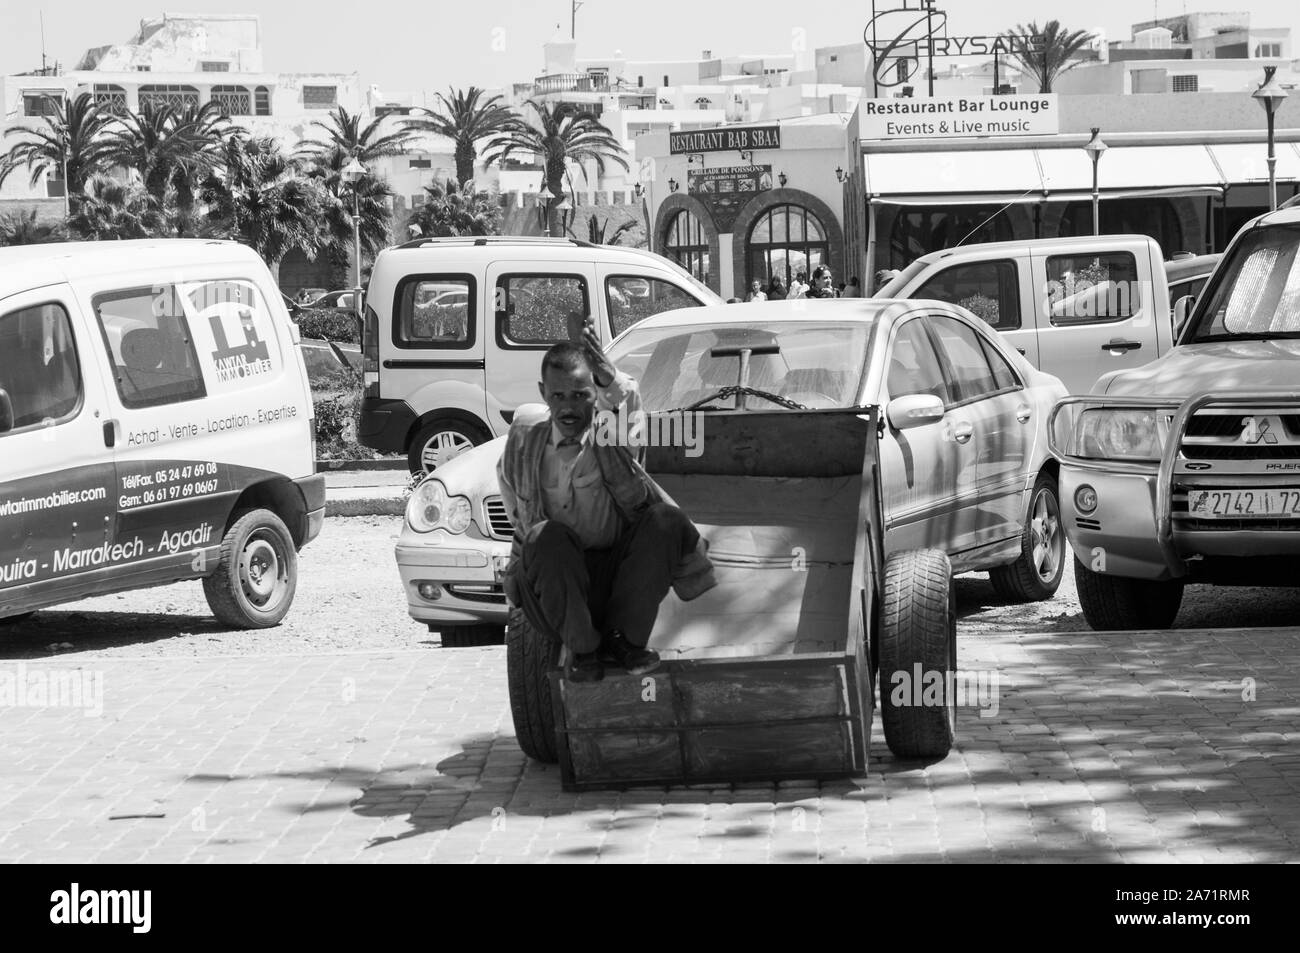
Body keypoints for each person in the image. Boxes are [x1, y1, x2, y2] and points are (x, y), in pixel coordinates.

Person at [497, 317, 716, 683]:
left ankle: (623, 639)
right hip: (556, 588)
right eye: (558, 396)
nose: (569, 407)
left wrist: (606, 370)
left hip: (616, 579)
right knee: (545, 538)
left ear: (595, 395)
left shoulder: (610, 436)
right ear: (543, 392)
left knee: (666, 520)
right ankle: (583, 650)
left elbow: (630, 403)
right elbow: (520, 525)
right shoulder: (522, 445)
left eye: (580, 395)